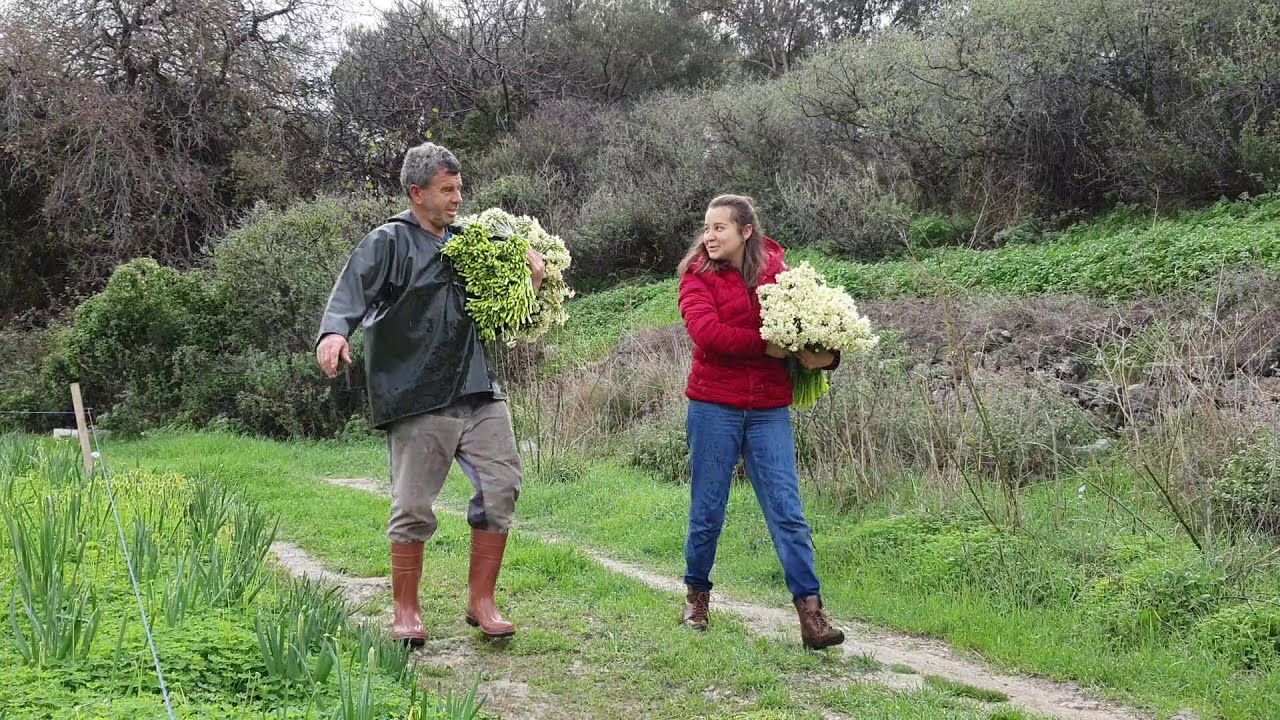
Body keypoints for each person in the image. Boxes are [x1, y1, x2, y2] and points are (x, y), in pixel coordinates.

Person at [315, 141, 545, 645]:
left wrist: (530, 274)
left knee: (501, 486)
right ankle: (406, 612)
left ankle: (482, 602)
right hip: (417, 393)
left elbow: (512, 307)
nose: (457, 198)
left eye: (460, 188)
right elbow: (350, 292)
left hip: (477, 388)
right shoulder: (387, 242)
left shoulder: (471, 241)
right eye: (446, 190)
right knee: (414, 505)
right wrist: (334, 333)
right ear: (417, 193)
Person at [676, 194, 845, 650]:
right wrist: (773, 347)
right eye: (707, 228)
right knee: (708, 509)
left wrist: (826, 355)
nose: (709, 236)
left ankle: (811, 615)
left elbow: (812, 328)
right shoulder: (696, 277)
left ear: (745, 231)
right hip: (714, 405)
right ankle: (697, 595)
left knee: (788, 511)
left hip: (769, 408)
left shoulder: (780, 273)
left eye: (719, 228)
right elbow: (708, 335)